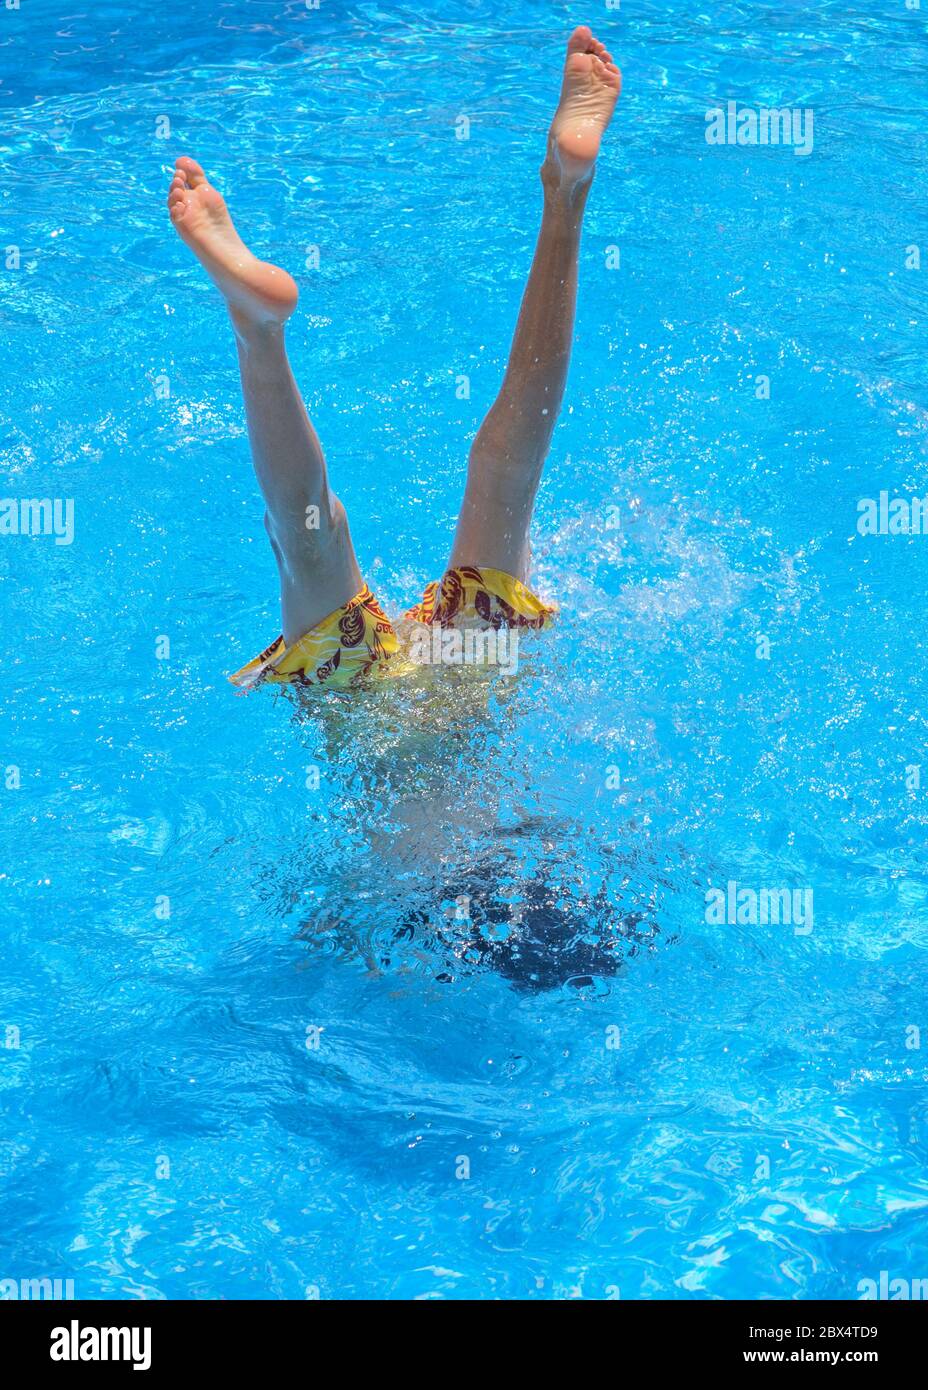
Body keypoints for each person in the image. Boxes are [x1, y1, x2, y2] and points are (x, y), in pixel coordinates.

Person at [166, 25, 621, 691]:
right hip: (398, 695)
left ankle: (567, 190)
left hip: (442, 679)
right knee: (318, 532)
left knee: (500, 478)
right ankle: (256, 330)